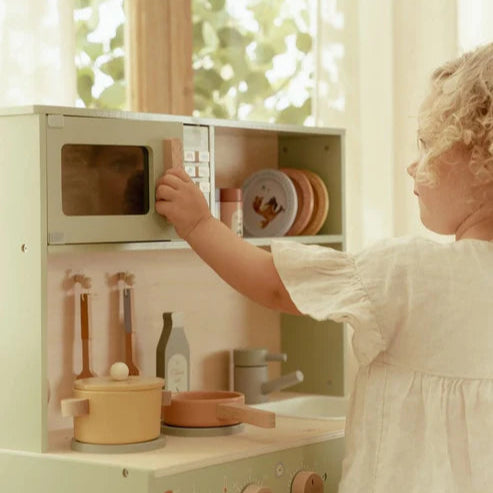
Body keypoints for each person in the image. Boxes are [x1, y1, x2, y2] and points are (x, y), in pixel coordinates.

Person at [155, 42, 493, 492]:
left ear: (478, 161)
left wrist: (198, 223)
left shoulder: (410, 272)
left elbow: (277, 286)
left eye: (429, 146)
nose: (413, 166)